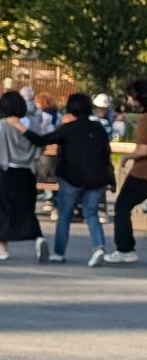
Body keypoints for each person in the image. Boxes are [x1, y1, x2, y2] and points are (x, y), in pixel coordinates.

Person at [50, 90, 116, 265]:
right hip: (96, 178)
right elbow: (106, 154)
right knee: (91, 213)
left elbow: (44, 140)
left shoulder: (67, 129)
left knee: (64, 215)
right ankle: (99, 247)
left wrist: (22, 130)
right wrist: (111, 177)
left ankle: (58, 252)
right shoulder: (99, 129)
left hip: (70, 176)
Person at [0, 86, 49, 262]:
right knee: (26, 209)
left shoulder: (3, 124)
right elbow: (40, 145)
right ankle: (38, 238)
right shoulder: (33, 123)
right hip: (27, 171)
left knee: (2, 209)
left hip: (7, 170)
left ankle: (2, 247)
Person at [111, 75, 147, 264]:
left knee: (122, 207)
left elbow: (143, 149)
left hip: (142, 173)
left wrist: (126, 157)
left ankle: (125, 248)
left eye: (130, 96)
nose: (129, 100)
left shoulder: (144, 120)